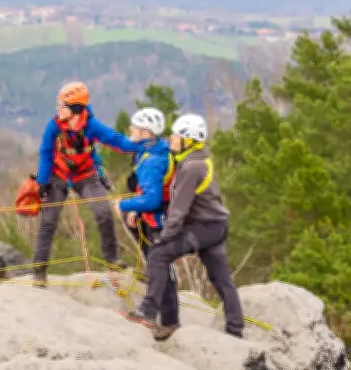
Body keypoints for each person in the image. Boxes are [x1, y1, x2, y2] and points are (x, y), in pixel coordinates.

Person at [124, 113, 244, 340]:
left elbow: (178, 211)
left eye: (176, 135)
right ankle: (235, 330)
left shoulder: (191, 168)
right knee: (221, 279)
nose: (171, 138)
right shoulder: (197, 159)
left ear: (188, 140)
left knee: (158, 254)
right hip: (215, 226)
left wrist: (166, 238)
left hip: (204, 227)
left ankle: (148, 312)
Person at [32, 81, 141, 288]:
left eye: (62, 105)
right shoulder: (54, 124)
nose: (58, 108)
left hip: (86, 175)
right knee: (48, 222)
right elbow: (46, 152)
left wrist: (144, 142)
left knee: (104, 212)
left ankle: (112, 260)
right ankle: (39, 270)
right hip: (58, 175)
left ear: (74, 109)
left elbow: (118, 142)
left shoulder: (91, 126)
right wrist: (43, 182)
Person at [116, 108, 180, 333]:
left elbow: (152, 199)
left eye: (134, 126)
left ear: (145, 132)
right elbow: (147, 190)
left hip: (159, 219)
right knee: (158, 263)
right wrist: (135, 209)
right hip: (156, 216)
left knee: (159, 265)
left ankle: (152, 314)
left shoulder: (152, 160)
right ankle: (170, 321)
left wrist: (124, 205)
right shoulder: (154, 149)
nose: (130, 129)